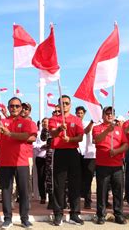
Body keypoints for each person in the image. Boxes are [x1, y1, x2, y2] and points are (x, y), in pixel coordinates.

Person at [0, 97, 36, 229]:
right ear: (8, 107)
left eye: (17, 106)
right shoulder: (3, 121)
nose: (14, 108)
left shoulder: (25, 122)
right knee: (6, 192)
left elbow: (26, 136)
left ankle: (24, 219)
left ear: (21, 108)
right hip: (5, 162)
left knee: (23, 191)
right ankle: (7, 218)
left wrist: (10, 134)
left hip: (21, 161)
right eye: (12, 106)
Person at [48, 95, 84, 226]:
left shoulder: (76, 120)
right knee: (59, 184)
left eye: (66, 103)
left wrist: (71, 139)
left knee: (75, 184)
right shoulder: (54, 119)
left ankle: (75, 213)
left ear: (70, 105)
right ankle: (58, 213)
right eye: (62, 103)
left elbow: (80, 137)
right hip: (60, 153)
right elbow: (52, 134)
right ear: (58, 105)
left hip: (73, 153)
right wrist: (59, 129)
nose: (64, 105)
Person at [92, 106, 128, 225]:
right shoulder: (97, 128)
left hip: (117, 165)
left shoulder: (119, 129)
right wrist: (107, 131)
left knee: (118, 190)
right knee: (102, 191)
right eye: (107, 113)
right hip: (102, 164)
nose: (109, 115)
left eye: (111, 113)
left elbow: (126, 145)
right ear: (102, 116)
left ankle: (118, 214)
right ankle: (101, 215)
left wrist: (117, 151)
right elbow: (97, 140)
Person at [76, 106, 95, 209]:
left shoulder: (102, 123)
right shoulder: (86, 123)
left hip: (93, 155)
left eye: (81, 113)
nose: (80, 115)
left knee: (89, 179)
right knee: (80, 178)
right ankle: (79, 200)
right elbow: (86, 131)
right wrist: (92, 122)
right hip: (81, 153)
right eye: (78, 113)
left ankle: (88, 201)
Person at [33, 118, 48, 204]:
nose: (45, 124)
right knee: (41, 177)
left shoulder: (52, 133)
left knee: (49, 178)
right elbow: (33, 144)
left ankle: (50, 196)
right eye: (44, 122)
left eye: (46, 122)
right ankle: (42, 196)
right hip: (40, 157)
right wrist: (42, 146)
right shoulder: (38, 134)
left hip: (49, 158)